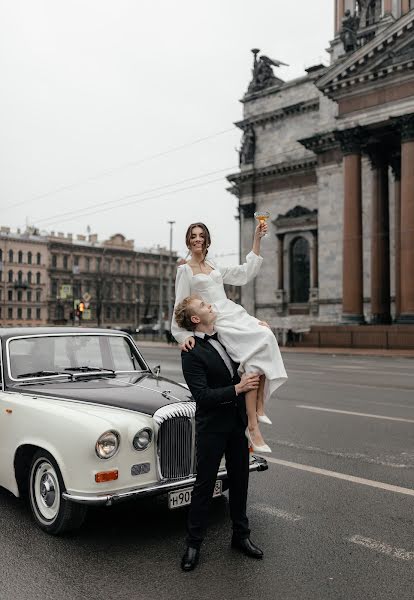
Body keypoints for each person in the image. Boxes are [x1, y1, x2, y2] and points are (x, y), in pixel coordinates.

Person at [171, 221, 287, 452]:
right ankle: (253, 426)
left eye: (201, 235)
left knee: (265, 334)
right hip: (215, 319)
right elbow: (179, 305)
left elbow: (245, 273)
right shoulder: (184, 270)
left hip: (232, 312)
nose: (197, 239)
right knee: (253, 354)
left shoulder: (214, 265)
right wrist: (183, 336)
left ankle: (259, 407)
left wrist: (257, 239)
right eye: (193, 236)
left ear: (206, 240)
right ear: (188, 240)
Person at [175, 295, 264, 571]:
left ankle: (241, 536)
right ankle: (193, 544)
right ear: (195, 320)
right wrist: (238, 388)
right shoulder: (190, 351)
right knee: (204, 485)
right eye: (203, 305)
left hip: (236, 423)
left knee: (240, 481)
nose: (210, 305)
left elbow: (248, 338)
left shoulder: (226, 336)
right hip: (212, 426)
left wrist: (260, 325)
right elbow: (201, 396)